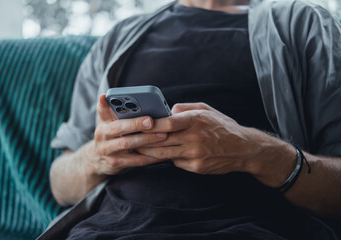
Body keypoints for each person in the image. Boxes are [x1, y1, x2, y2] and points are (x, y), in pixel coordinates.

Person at [40, 0, 341, 239]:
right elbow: (61, 184)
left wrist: (256, 151)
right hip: (106, 230)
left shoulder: (305, 24)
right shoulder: (118, 39)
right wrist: (97, 157)